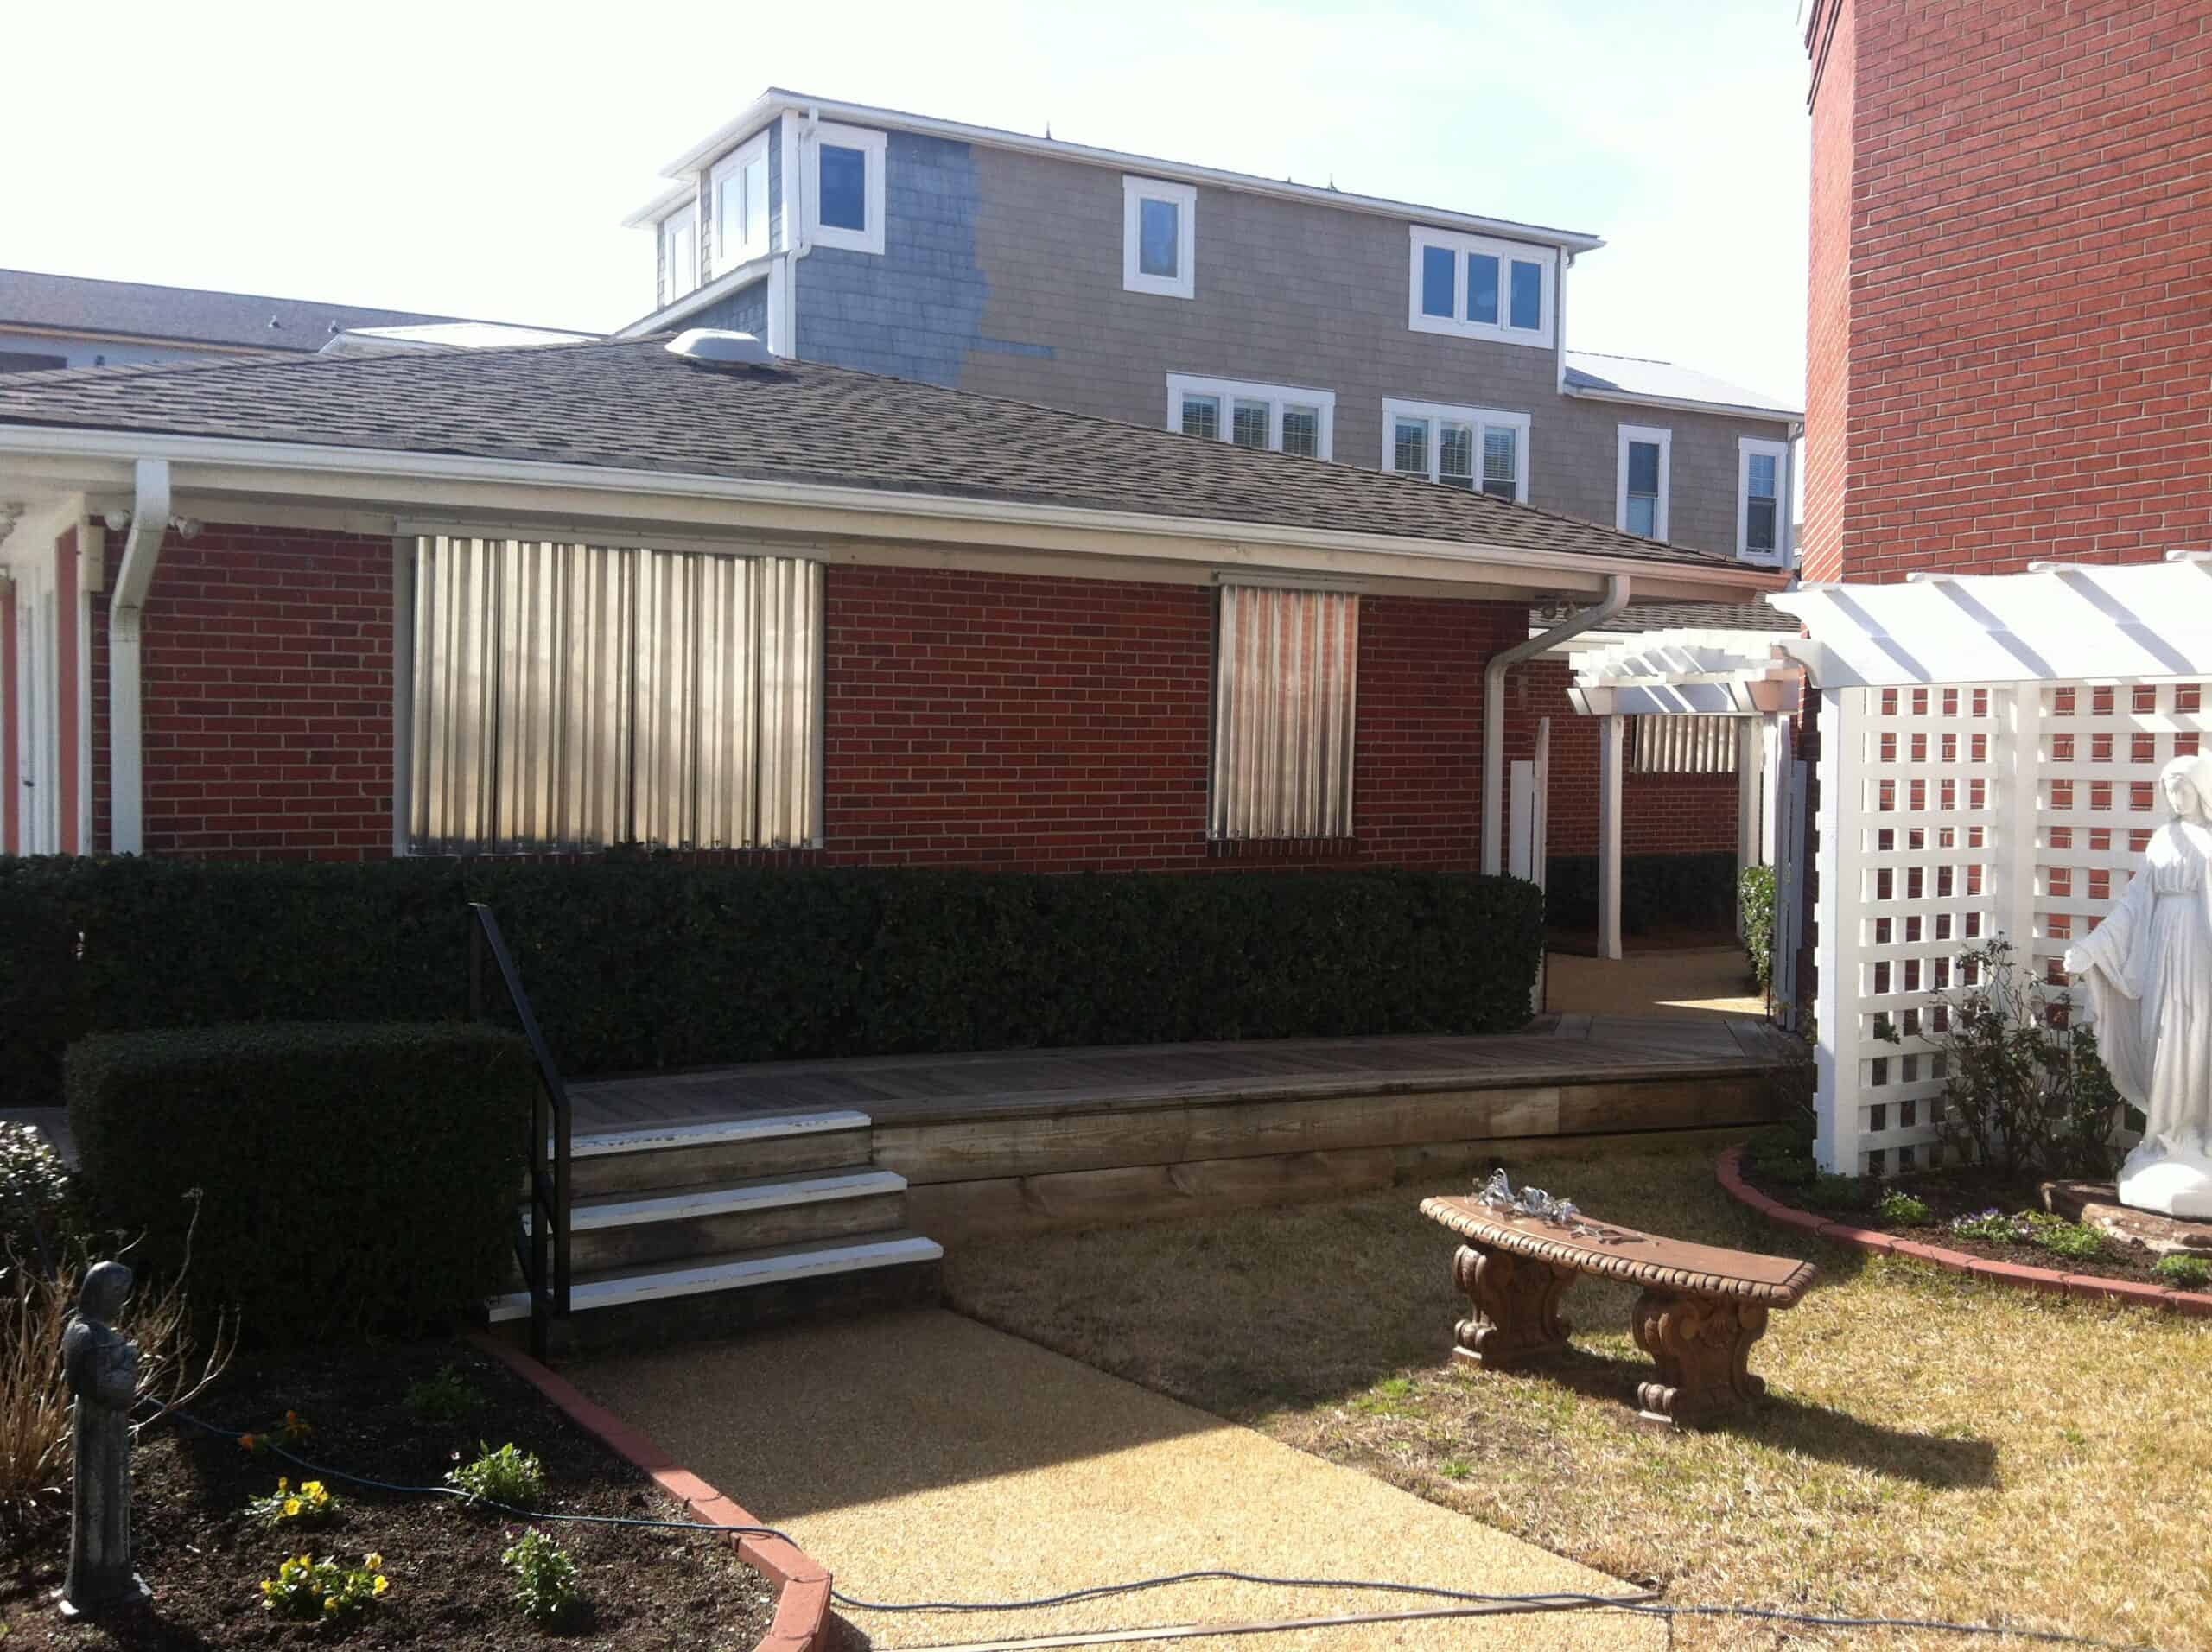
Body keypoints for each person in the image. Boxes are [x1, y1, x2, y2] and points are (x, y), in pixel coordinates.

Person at [2063, 752, 2212, 1217]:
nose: (2176, 796)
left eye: (2183, 786)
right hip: (2160, 951)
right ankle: (2162, 1135)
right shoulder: (2161, 840)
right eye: (2169, 788)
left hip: (2199, 951)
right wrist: (2091, 948)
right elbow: (2131, 907)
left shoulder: (2208, 844)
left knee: (2194, 1035)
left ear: (2202, 790)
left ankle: (2194, 1134)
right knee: (2159, 1036)